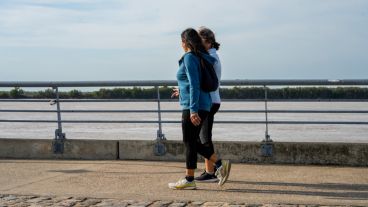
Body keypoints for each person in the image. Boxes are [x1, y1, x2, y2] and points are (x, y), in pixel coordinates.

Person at [168, 28, 230, 190]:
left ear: (185, 42)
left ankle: (193, 177)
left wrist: (193, 110)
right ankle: (216, 165)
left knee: (189, 141)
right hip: (200, 103)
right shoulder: (201, 56)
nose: (180, 45)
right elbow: (194, 83)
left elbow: (195, 84)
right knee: (191, 141)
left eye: (181, 41)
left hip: (193, 105)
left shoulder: (190, 57)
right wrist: (182, 90)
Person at [194, 26, 223, 183]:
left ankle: (214, 170)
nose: (198, 44)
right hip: (213, 99)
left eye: (201, 41)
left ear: (209, 42)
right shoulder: (212, 56)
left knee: (203, 138)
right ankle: (210, 170)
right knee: (203, 137)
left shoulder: (210, 58)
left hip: (209, 101)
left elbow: (204, 81)